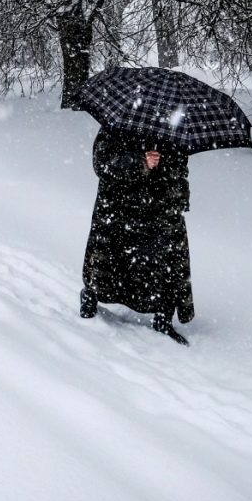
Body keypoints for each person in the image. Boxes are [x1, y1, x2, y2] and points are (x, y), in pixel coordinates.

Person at [80, 128, 194, 345]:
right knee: (109, 258)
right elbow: (102, 164)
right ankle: (90, 298)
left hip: (159, 210)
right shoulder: (119, 123)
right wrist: (140, 161)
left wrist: (178, 191)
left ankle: (163, 318)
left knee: (165, 263)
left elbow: (180, 169)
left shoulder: (173, 127)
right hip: (119, 208)